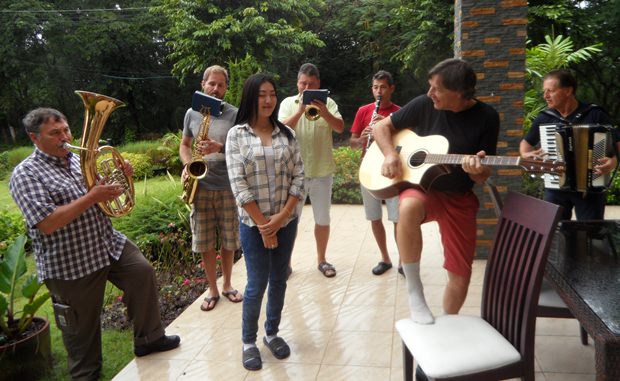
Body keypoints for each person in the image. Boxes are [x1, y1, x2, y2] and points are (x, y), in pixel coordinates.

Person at [9, 108, 180, 381]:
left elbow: (104, 198)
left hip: (107, 243)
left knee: (142, 273)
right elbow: (47, 223)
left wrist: (121, 180)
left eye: (66, 129)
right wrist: (92, 196)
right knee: (81, 334)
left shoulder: (78, 160)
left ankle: (149, 339)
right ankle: (86, 375)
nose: (65, 137)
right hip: (70, 263)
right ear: (34, 137)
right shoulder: (25, 175)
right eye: (55, 133)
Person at [372, 58, 500, 326]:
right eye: (430, 87)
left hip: (459, 196)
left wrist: (476, 170)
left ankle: (447, 325)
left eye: (437, 89)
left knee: (461, 274)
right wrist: (388, 155)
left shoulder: (487, 117)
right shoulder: (423, 104)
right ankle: (414, 292)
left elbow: (485, 172)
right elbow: (380, 127)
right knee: (407, 208)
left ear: (461, 93)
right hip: (422, 188)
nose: (430, 94)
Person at [226, 73, 304, 371]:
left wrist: (281, 218)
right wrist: (263, 225)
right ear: (250, 97)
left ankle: (271, 333)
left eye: (272, 93)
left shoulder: (287, 134)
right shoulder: (237, 135)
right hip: (252, 224)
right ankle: (249, 341)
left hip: (287, 221)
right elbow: (238, 185)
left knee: (279, 278)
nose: (268, 100)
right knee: (257, 283)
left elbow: (299, 176)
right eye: (261, 94)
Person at [179, 65, 243, 311]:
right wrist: (188, 164)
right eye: (211, 84)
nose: (216, 89)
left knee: (228, 239)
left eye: (221, 85)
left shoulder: (235, 115)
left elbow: (241, 150)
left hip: (227, 185)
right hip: (201, 185)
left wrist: (219, 148)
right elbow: (185, 144)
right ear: (203, 84)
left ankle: (227, 284)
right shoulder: (191, 114)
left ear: (226, 88)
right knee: (205, 241)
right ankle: (212, 289)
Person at [520, 68, 619, 220]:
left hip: (590, 188)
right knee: (554, 233)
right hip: (556, 187)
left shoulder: (595, 114)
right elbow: (526, 143)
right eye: (544, 91)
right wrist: (526, 154)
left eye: (550, 91)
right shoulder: (545, 118)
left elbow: (617, 145)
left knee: (591, 236)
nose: (545, 96)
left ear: (568, 91)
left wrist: (612, 162)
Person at [278, 63, 344, 278]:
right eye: (303, 83)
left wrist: (323, 110)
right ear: (297, 83)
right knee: (290, 222)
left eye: (311, 84)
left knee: (322, 219)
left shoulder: (329, 103)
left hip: (321, 171)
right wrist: (299, 111)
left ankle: (322, 260)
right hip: (293, 174)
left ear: (318, 85)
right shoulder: (288, 103)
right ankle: (286, 263)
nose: (306, 88)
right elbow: (280, 130)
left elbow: (340, 127)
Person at [350, 70, 402, 276]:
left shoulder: (400, 111)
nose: (378, 91)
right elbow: (352, 143)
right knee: (374, 217)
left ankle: (403, 261)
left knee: (397, 218)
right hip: (368, 169)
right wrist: (361, 138)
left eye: (382, 87)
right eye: (375, 87)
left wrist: (386, 128)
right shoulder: (364, 111)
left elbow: (406, 142)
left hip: (393, 170)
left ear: (391, 88)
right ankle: (385, 258)